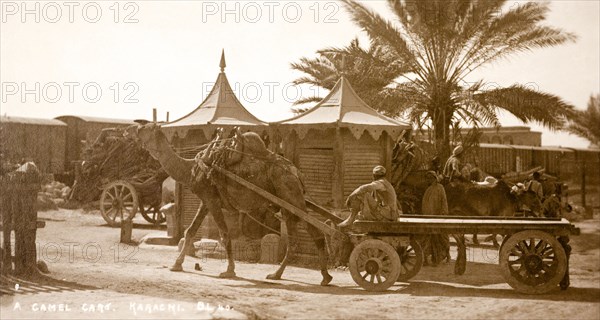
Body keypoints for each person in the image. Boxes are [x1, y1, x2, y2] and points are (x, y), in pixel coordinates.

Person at [420, 171, 450, 265]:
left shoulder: (440, 188)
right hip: (429, 218)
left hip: (438, 217)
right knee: (429, 238)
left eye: (430, 178)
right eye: (427, 178)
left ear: (434, 178)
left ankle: (445, 256)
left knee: (441, 238)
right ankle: (429, 259)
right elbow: (425, 205)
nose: (428, 180)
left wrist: (443, 214)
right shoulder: (428, 190)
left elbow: (444, 201)